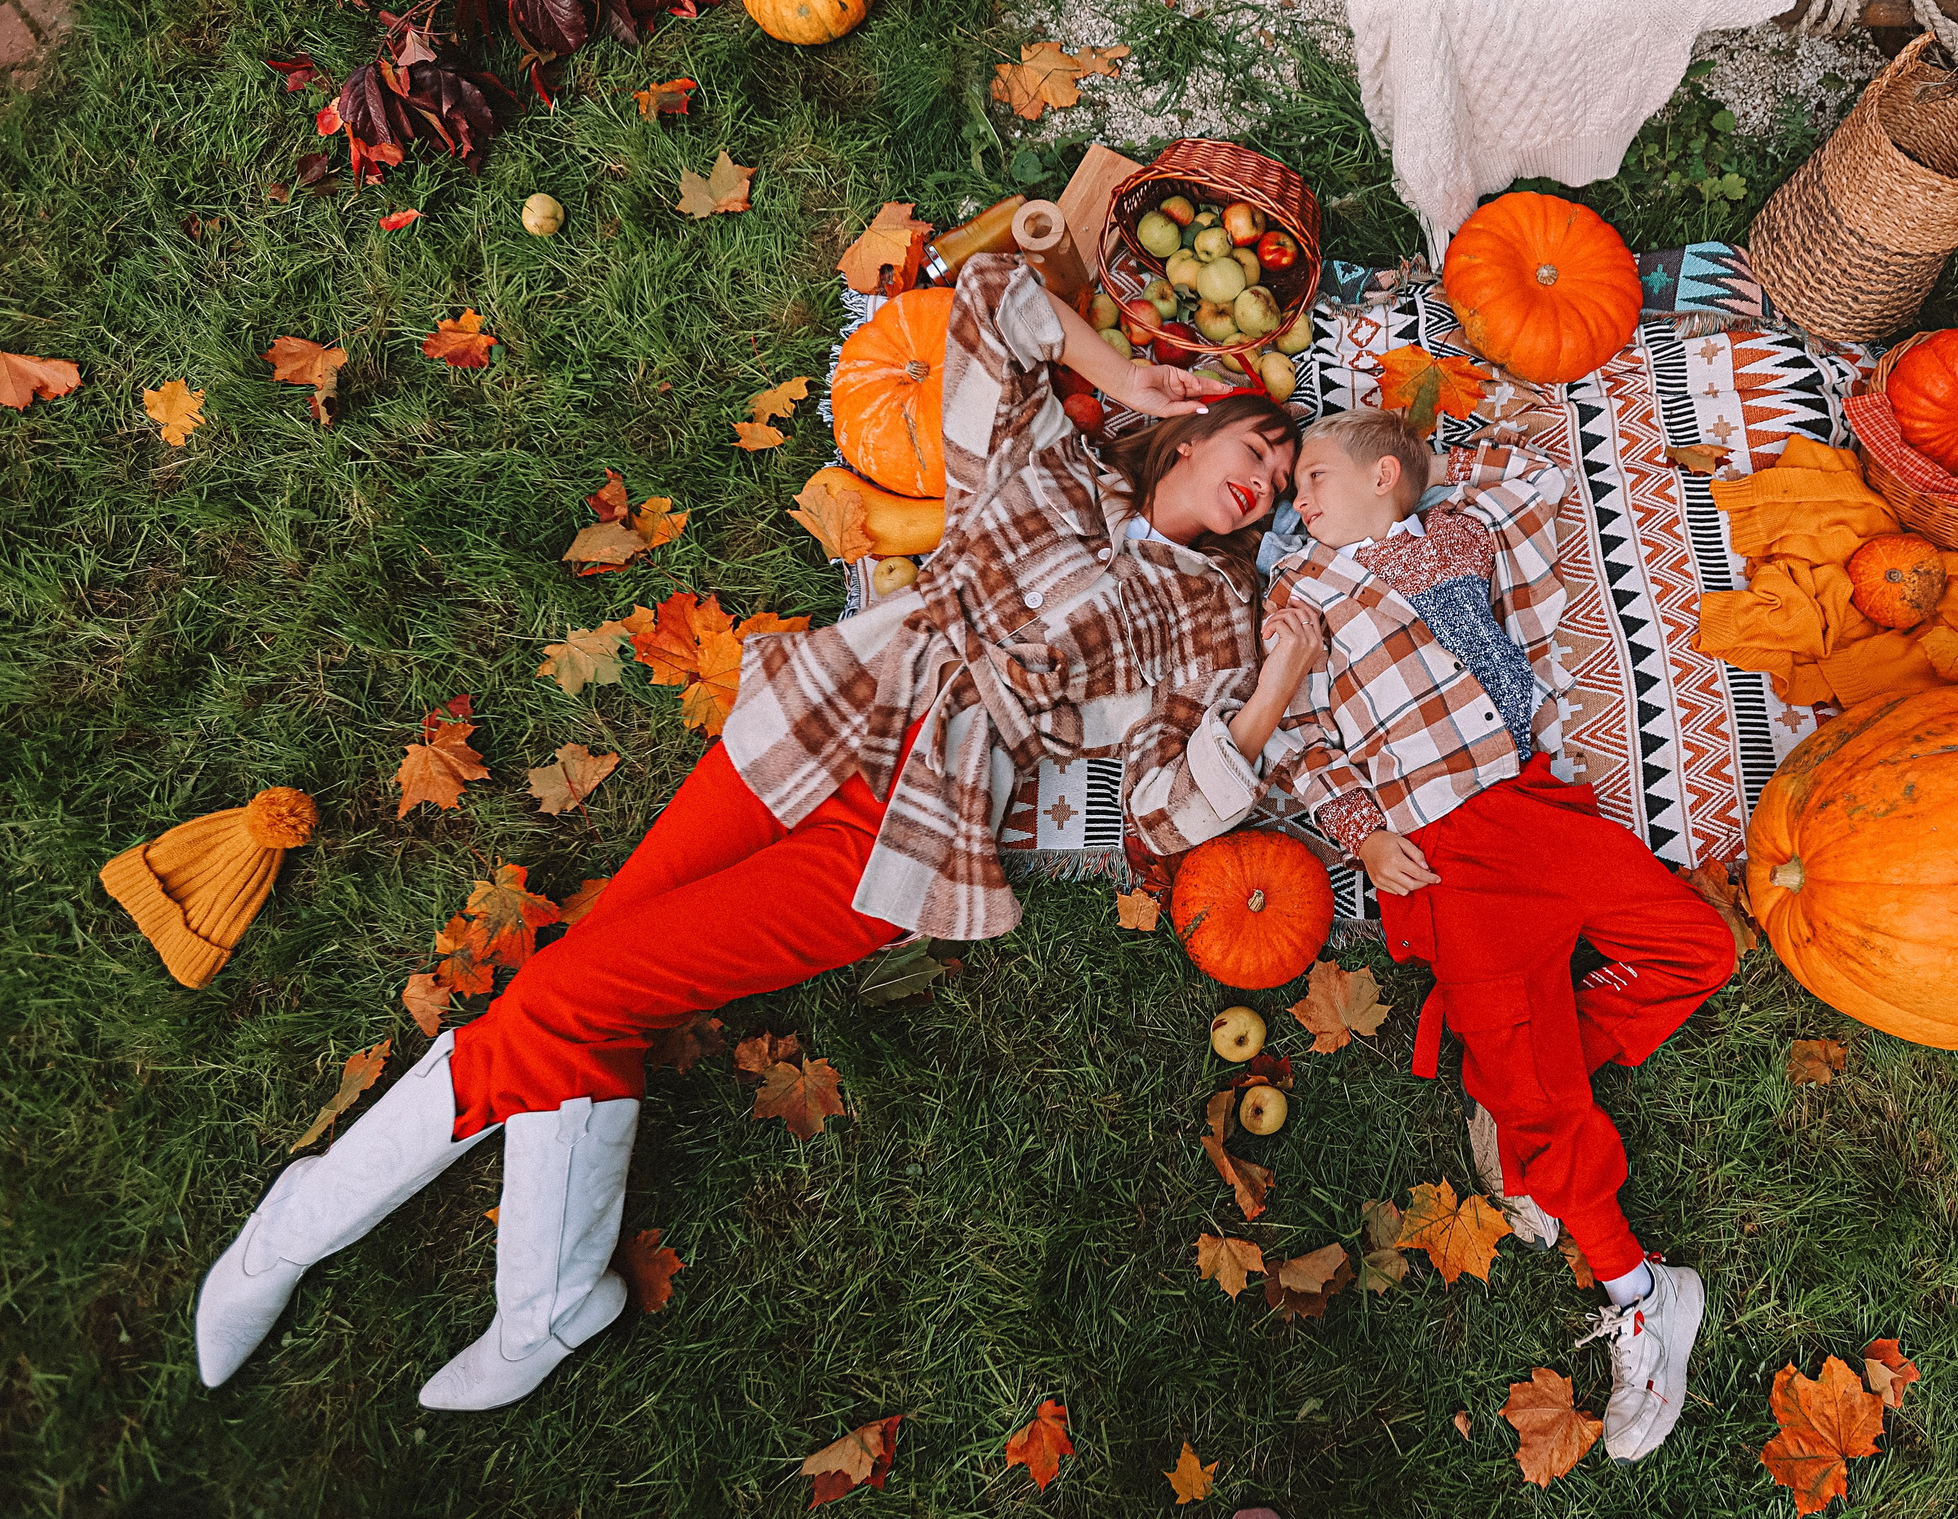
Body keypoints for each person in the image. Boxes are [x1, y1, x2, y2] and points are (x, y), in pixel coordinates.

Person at [193, 256, 1326, 1410]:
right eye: (1259, 450)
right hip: (821, 719)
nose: (1267, 482)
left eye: (1283, 483)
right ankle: (540, 1302)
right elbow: (989, 298)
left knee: (572, 993)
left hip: (911, 824)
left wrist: (1279, 672)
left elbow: (1163, 808)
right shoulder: (1051, 463)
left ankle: (292, 1233)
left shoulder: (1216, 626)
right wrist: (1118, 372)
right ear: (1193, 435)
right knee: (582, 993)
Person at [1262, 406, 1736, 1465]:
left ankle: (1510, 1077)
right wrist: (1365, 831)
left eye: (1315, 477)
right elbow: (1297, 734)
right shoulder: (1300, 595)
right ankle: (1640, 1288)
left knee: (1698, 950)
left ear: (1386, 473)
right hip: (1446, 844)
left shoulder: (1458, 531)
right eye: (1295, 485)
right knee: (1544, 1096)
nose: (1300, 498)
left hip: (1533, 806)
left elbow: (1527, 478)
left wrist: (1423, 456)